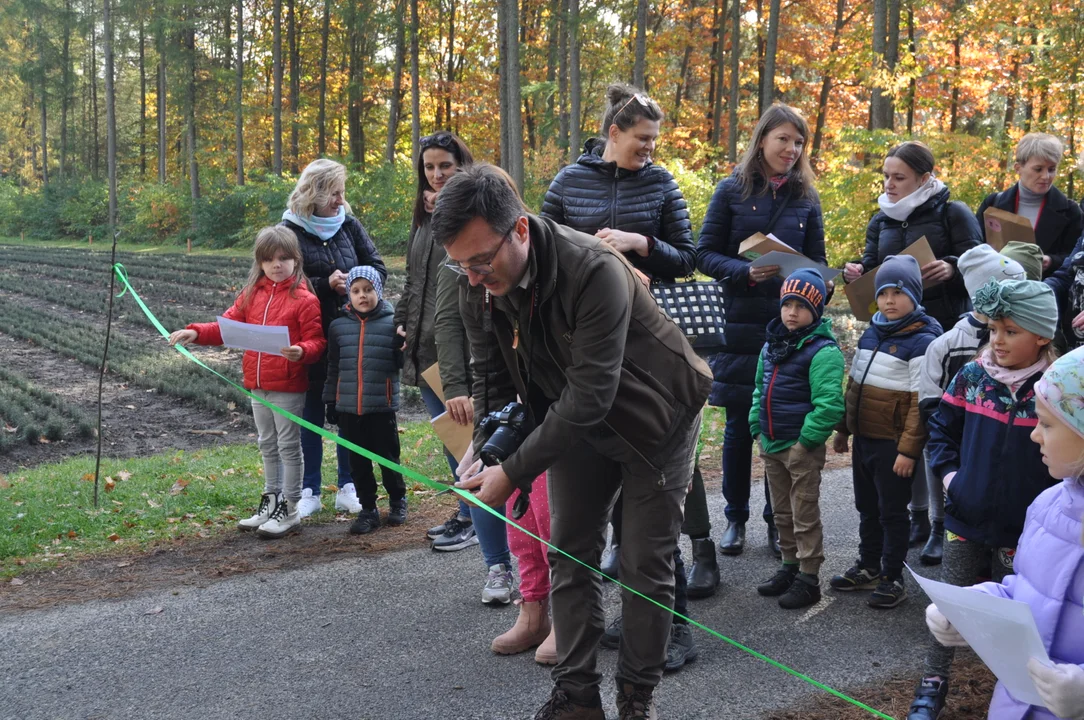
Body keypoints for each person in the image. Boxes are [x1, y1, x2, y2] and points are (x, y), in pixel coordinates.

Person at [434, 164, 711, 720]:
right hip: (573, 416)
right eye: (459, 264)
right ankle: (578, 696)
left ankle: (637, 698)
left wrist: (511, 472)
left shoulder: (595, 268)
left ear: (518, 230)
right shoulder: (477, 279)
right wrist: (486, 444)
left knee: (643, 565)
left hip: (655, 420)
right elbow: (491, 372)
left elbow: (592, 397)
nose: (471, 276)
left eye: (480, 261)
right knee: (569, 553)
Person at [541, 82, 703, 662]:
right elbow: (539, 248)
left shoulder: (660, 184)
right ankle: (616, 623)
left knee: (653, 498)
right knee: (597, 500)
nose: (650, 151)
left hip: (646, 350)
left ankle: (673, 629)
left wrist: (639, 244)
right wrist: (595, 262)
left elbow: (688, 258)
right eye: (641, 140)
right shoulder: (567, 181)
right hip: (583, 343)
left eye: (655, 142)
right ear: (612, 133)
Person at [906, 278, 1060, 720]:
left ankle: (1016, 692)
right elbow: (941, 430)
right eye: (994, 329)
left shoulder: (1056, 387)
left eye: (1012, 331)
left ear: (1042, 335)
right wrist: (955, 479)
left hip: (1026, 533)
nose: (998, 340)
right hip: (965, 520)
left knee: (1018, 618)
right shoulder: (973, 376)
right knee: (950, 606)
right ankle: (933, 681)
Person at [921, 345, 1084, 720]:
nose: (1034, 436)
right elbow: (1024, 590)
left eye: (1047, 424)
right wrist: (969, 612)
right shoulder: (1046, 508)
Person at [697, 103, 825, 559]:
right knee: (737, 427)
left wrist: (810, 289)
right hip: (740, 325)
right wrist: (743, 273)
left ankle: (778, 521)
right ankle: (735, 517)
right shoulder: (730, 190)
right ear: (762, 139)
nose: (791, 149)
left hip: (789, 330)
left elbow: (818, 267)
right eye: (783, 139)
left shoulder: (808, 197)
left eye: (798, 142)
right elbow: (704, 253)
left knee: (783, 428)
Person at [167, 226, 325, 538]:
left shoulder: (305, 300)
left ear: (296, 260)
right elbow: (226, 326)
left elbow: (317, 341)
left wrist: (301, 351)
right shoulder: (252, 295)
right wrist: (196, 332)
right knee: (266, 444)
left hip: (289, 386)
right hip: (257, 383)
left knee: (289, 446)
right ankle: (270, 500)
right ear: (260, 263)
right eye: (268, 260)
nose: (276, 265)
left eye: (283, 258)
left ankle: (291, 508)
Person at [831, 255, 941, 609]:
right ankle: (869, 565)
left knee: (893, 512)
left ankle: (893, 576)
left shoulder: (922, 341)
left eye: (898, 292)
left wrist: (909, 451)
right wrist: (844, 430)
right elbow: (855, 386)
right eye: (883, 293)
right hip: (864, 439)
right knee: (867, 507)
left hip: (893, 445)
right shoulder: (871, 333)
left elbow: (919, 405)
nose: (889, 300)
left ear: (915, 295)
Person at [281, 159, 387, 518]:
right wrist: (326, 284)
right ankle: (309, 488)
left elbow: (378, 266)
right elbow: (281, 283)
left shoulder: (349, 226)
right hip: (308, 337)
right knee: (310, 415)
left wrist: (357, 282)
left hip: (351, 336)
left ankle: (348, 485)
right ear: (314, 193)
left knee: (347, 414)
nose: (341, 201)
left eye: (342, 193)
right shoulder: (288, 231)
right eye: (334, 194)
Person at [914, 244, 1028, 566]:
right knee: (945, 478)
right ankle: (939, 525)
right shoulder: (945, 345)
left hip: (997, 439)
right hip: (958, 438)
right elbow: (930, 404)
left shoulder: (1023, 340)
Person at [749, 269, 845, 610]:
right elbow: (759, 389)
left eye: (801, 306)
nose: (791, 312)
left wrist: (805, 442)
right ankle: (788, 566)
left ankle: (808, 577)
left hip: (799, 446)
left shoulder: (823, 351)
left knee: (803, 513)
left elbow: (830, 403)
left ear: (816, 310)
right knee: (781, 512)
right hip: (772, 442)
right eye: (787, 303)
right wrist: (756, 428)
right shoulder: (771, 345)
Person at [842, 141, 982, 334]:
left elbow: (981, 269)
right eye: (886, 176)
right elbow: (872, 267)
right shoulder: (879, 221)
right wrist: (856, 271)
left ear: (924, 179)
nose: (889, 184)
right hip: (893, 329)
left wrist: (951, 269)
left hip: (946, 328)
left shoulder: (954, 213)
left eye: (899, 178)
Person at [322, 266, 406, 535]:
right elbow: (333, 366)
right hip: (348, 407)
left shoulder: (392, 324)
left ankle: (397, 500)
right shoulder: (338, 327)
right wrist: (330, 400)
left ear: (378, 291)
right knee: (357, 462)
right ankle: (368, 509)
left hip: (381, 405)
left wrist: (403, 347)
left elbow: (401, 362)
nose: (363, 296)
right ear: (349, 295)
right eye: (356, 291)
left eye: (368, 290)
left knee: (388, 456)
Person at [976, 133, 1082, 279]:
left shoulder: (1071, 211)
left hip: (1046, 293)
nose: (1046, 176)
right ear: (1018, 168)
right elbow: (975, 247)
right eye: (1038, 169)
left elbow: (1076, 256)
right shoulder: (993, 204)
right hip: (997, 291)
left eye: (1051, 169)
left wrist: (1051, 261)